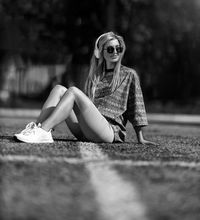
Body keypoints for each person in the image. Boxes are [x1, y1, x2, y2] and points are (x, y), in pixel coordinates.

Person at [15, 31, 156, 145]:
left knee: (73, 91)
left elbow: (137, 106)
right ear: (100, 52)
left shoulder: (129, 74)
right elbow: (86, 108)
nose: (115, 52)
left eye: (118, 49)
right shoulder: (95, 76)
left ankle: (44, 131)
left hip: (109, 131)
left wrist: (140, 136)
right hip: (86, 130)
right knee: (59, 89)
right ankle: (36, 130)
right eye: (110, 49)